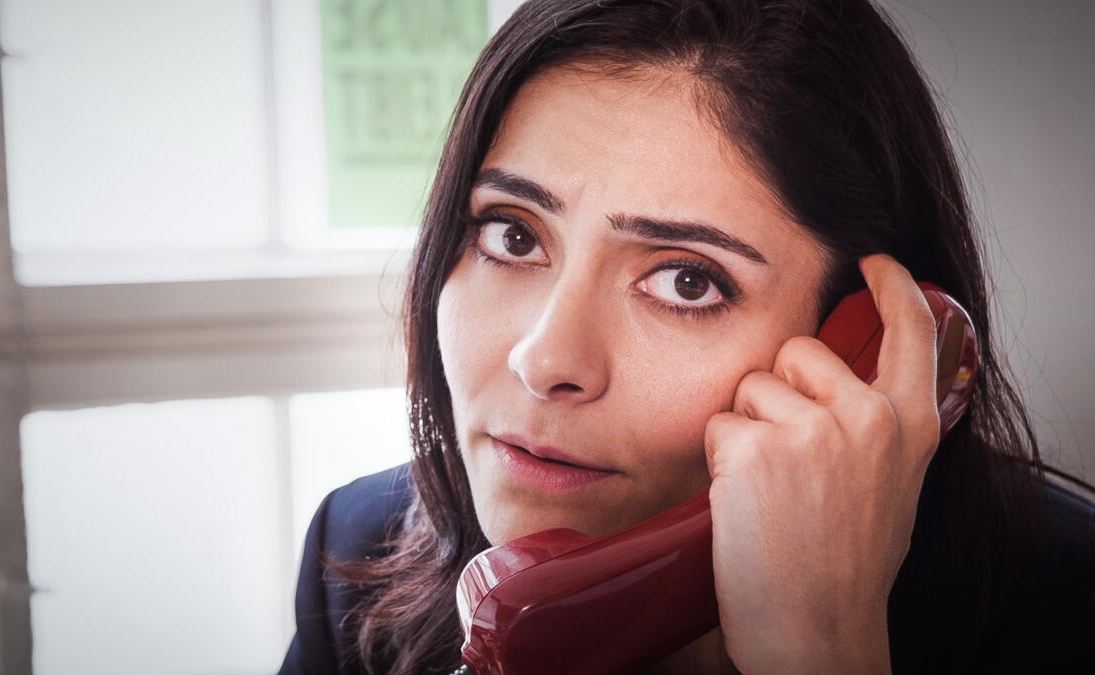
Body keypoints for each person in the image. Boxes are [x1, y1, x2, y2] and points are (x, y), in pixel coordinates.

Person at [279, 0, 1095, 673]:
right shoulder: (354, 556)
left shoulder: (1069, 610)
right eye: (514, 236)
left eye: (686, 281)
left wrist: (823, 651)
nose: (545, 360)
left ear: (870, 351)